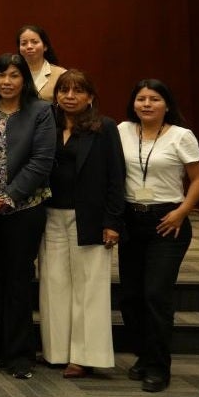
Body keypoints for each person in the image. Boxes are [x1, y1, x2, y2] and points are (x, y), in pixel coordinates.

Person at [118, 79, 199, 393]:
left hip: (167, 222)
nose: (147, 104)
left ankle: (158, 367)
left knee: (156, 294)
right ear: (133, 103)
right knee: (130, 296)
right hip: (131, 220)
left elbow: (198, 179)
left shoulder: (181, 136)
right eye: (141, 98)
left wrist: (182, 211)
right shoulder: (122, 131)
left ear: (166, 105)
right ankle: (144, 355)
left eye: (154, 99)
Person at [0, 54, 54, 379]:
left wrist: (9, 197)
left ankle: (19, 355)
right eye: (1, 75)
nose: (7, 82)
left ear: (24, 80)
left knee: (18, 280)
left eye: (14, 76)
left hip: (25, 209)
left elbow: (41, 161)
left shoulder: (41, 111)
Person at [40, 70, 125, 379]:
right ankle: (57, 351)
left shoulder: (104, 127)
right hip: (51, 215)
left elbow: (116, 177)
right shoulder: (48, 124)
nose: (70, 96)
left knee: (89, 288)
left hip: (89, 217)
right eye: (64, 90)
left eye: (77, 91)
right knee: (54, 283)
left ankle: (84, 356)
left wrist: (113, 221)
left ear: (90, 97)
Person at [16, 24, 66, 102]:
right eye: (24, 43)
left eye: (34, 42)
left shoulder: (61, 74)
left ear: (45, 46)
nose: (29, 46)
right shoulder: (12, 73)